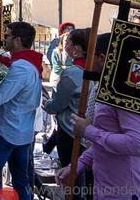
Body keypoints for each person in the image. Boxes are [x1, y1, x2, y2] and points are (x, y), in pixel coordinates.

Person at [56, 32, 140, 200]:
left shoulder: (125, 93)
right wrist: (78, 165)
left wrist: (89, 131)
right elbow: (108, 144)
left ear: (101, 58)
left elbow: (139, 144)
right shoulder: (110, 89)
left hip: (133, 190)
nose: (86, 60)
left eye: (90, 55)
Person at [0, 21, 43, 200]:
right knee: (21, 180)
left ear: (17, 39)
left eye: (6, 35)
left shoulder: (21, 67)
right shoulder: (28, 64)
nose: (3, 39)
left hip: (4, 131)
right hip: (20, 131)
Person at [42, 28, 91, 191]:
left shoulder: (72, 74)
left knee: (71, 177)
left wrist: (46, 104)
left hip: (70, 131)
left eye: (68, 42)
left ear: (76, 48)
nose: (65, 45)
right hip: (89, 131)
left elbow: (57, 104)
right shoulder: (92, 72)